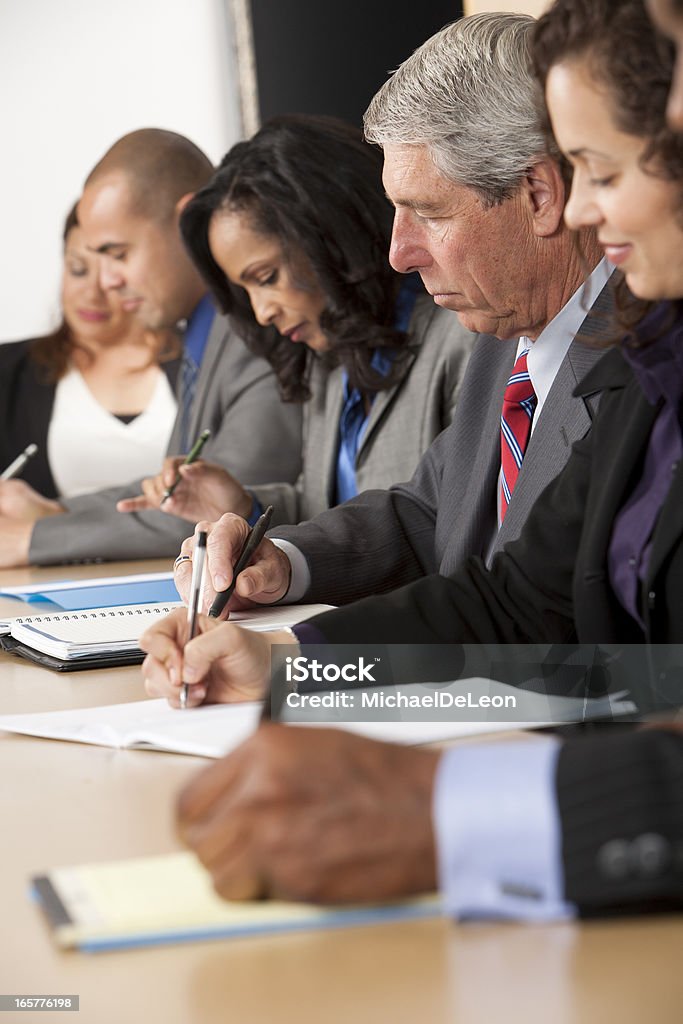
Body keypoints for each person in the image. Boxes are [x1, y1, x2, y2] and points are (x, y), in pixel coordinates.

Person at [142, 2, 683, 920]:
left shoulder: (623, 335)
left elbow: (605, 663)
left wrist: (446, 812)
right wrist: (291, 667)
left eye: (605, 169)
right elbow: (521, 601)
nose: (593, 211)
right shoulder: (649, 353)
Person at [171, 13, 609, 616]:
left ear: (538, 195)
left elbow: (549, 619)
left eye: (428, 213)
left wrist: (305, 667)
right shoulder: (506, 338)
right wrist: (284, 563)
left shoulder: (643, 360)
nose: (399, 254)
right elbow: (429, 510)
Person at [117, 116, 473, 528]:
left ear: (330, 236)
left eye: (266, 278)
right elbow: (326, 508)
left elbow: (438, 529)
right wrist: (242, 506)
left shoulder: (460, 341)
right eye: (244, 291)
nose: (263, 313)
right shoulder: (329, 359)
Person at [0, 129, 302, 567]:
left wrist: (32, 538)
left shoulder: (258, 327)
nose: (105, 282)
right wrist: (58, 514)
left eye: (117, 254)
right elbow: (172, 494)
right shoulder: (207, 334)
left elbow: (225, 505)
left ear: (185, 223)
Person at [0, 203, 179, 500]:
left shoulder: (202, 363)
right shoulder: (8, 372)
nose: (92, 293)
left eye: (114, 273)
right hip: (41, 548)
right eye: (78, 270)